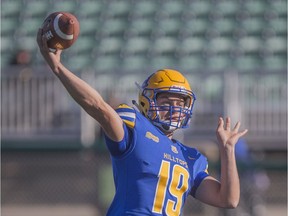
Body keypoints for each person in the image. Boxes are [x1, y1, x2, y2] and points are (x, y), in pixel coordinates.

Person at [36, 28, 248, 216]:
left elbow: (228, 200)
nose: (174, 108)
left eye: (180, 102)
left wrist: (227, 150)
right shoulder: (134, 126)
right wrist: (58, 69)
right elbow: (98, 106)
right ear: (147, 101)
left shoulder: (191, 157)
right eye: (166, 100)